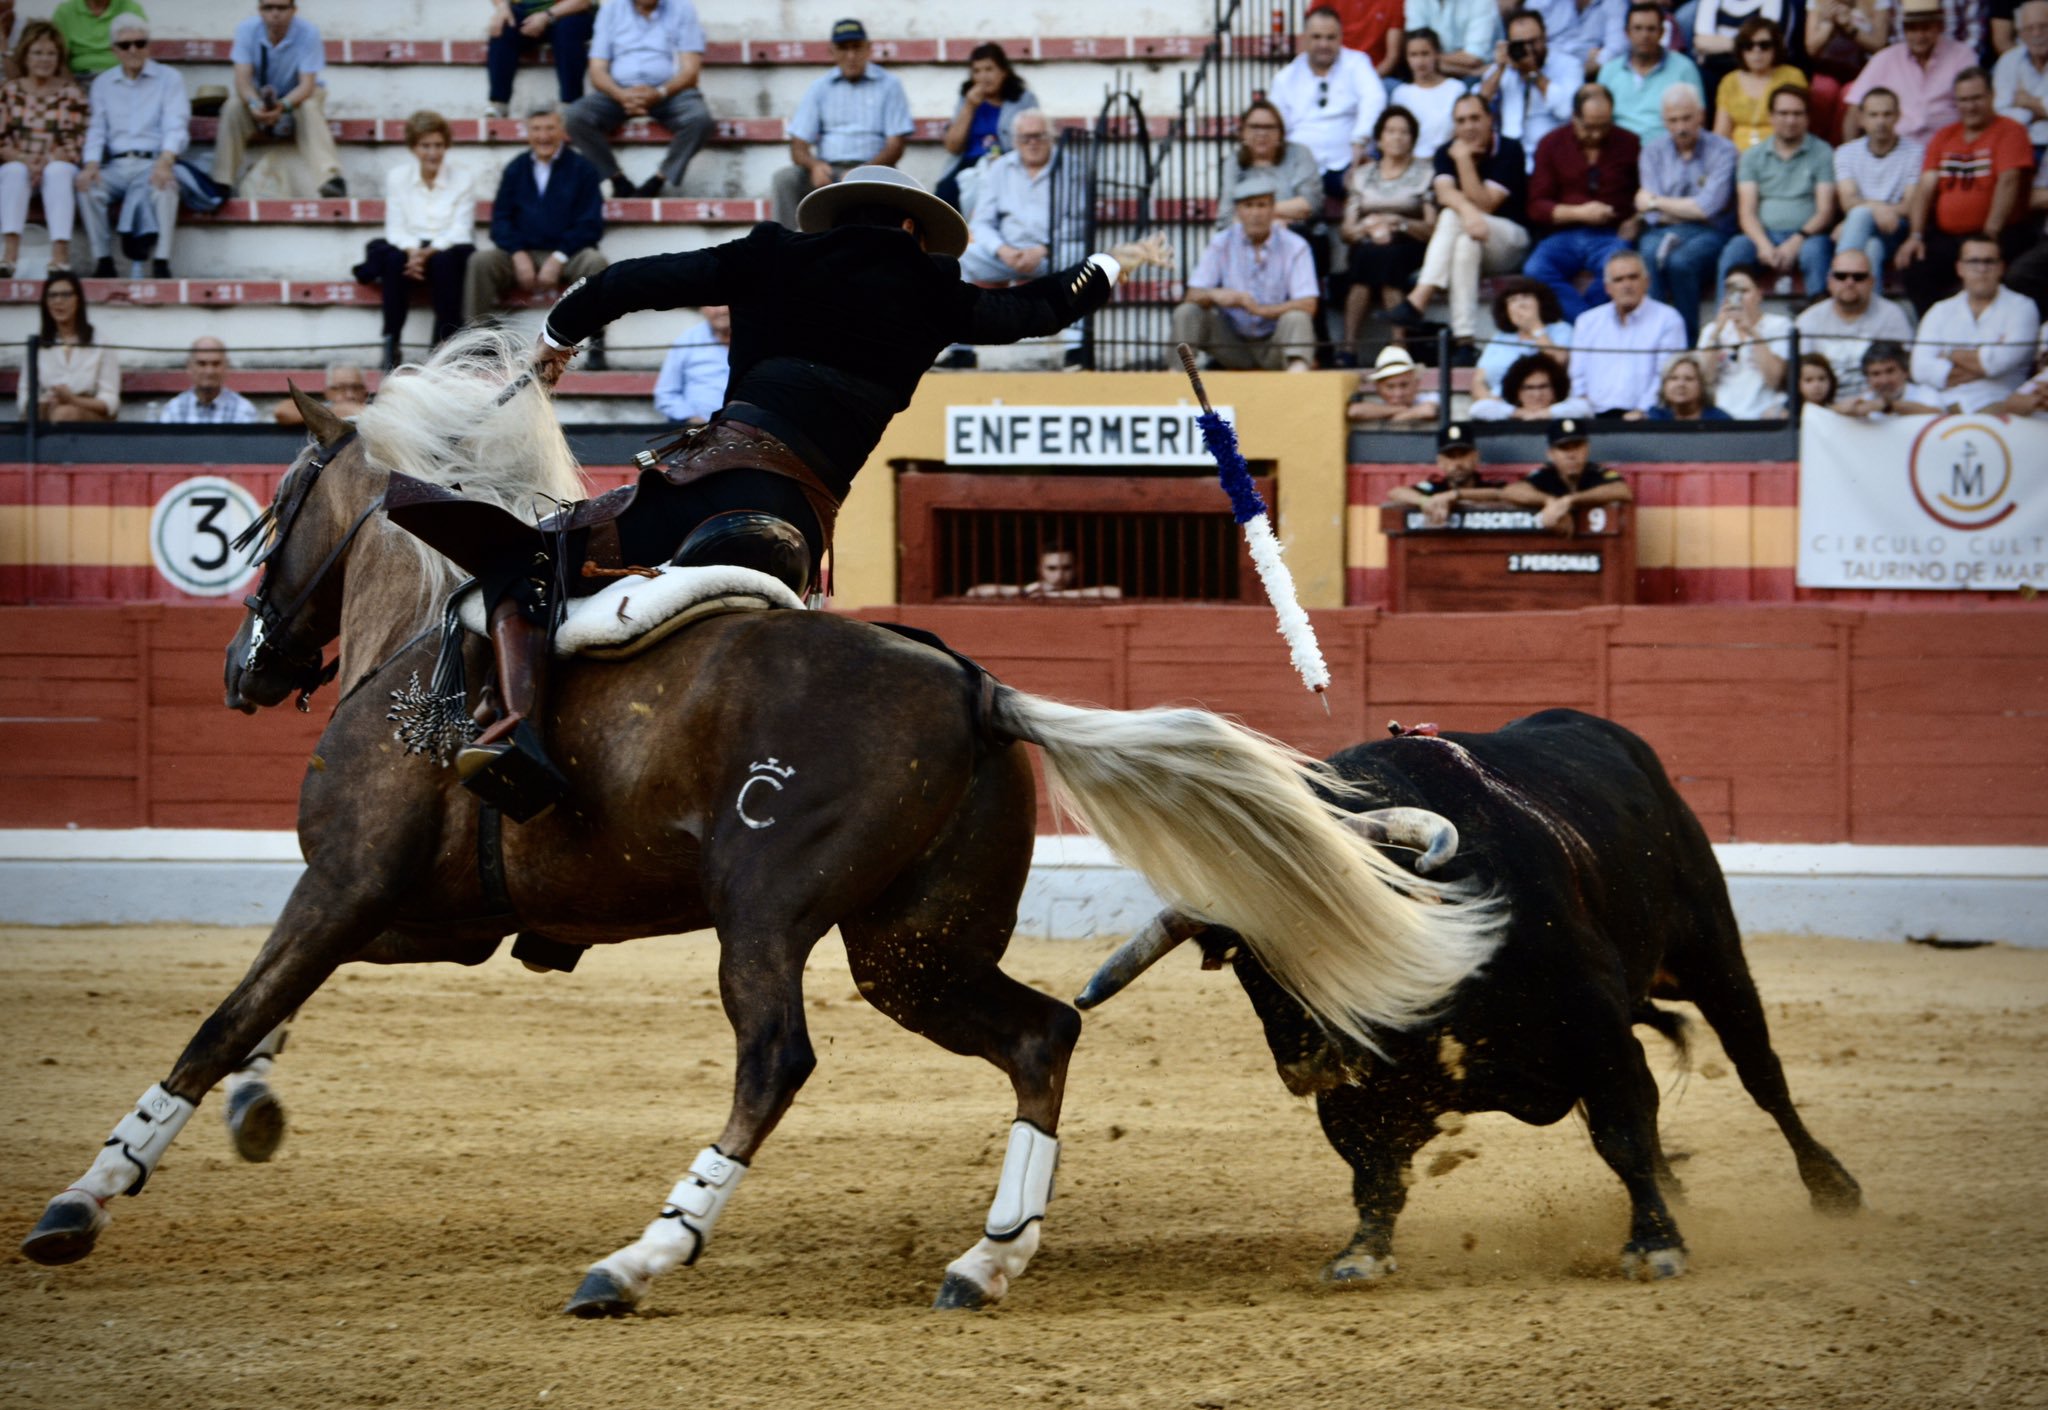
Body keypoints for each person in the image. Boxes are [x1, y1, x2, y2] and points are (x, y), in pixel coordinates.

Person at [392, 165, 1171, 810]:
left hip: (715, 485)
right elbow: (1041, 308)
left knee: (527, 555)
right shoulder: (937, 293)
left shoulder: (772, 255)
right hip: (799, 526)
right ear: (911, 228)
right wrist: (1112, 265)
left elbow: (628, 280)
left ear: (839, 219)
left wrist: (557, 338)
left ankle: (518, 730)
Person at [463, 102, 609, 363]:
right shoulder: (516, 168)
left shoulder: (583, 169)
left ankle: (596, 341)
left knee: (595, 262)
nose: (544, 136)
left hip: (568, 254)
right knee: (480, 262)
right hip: (522, 253)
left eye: (550, 128)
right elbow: (501, 220)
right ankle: (480, 340)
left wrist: (559, 257)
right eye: (537, 129)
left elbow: (590, 224)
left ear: (562, 130)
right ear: (528, 133)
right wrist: (518, 254)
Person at [1384, 94, 1530, 345]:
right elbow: (1444, 193)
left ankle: (1419, 297)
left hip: (1510, 240)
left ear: (1490, 119)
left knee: (1452, 215)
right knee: (1464, 244)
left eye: (1475, 118)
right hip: (1472, 235)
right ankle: (1465, 339)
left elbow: (1486, 204)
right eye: (1461, 121)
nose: (1468, 126)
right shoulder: (1445, 151)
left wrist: (1463, 161)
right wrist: (1469, 212)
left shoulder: (1509, 149)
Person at [1895, 67, 2034, 315]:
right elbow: (1925, 187)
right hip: (1949, 236)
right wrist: (1915, 235)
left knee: (2005, 271)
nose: (1970, 106)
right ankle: (1934, 329)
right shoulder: (1944, 136)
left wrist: (1990, 234)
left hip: (2000, 232)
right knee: (1915, 265)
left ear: (1992, 96)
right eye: (1963, 100)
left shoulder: (2011, 131)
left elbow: (2008, 182)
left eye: (1976, 98)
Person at [768, 19, 913, 232]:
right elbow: (798, 146)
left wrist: (863, 171)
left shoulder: (889, 85)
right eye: (843, 48)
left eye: (856, 47)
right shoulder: (820, 87)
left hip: (874, 170)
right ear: (832, 52)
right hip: (828, 172)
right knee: (784, 179)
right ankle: (783, 245)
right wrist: (814, 166)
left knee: (887, 184)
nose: (851, 56)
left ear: (868, 49)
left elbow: (896, 147)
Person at [562, 0, 712, 201]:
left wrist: (659, 93)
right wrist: (620, 94)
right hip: (618, 92)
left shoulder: (682, 8)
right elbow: (597, 70)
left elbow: (690, 71)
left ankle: (658, 180)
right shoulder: (611, 9)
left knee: (700, 119)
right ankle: (617, 180)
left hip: (669, 92)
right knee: (575, 117)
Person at [361, 109, 474, 369]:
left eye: (438, 145)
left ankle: (445, 342)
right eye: (425, 146)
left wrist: (428, 253)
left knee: (446, 262)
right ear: (413, 147)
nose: (433, 153)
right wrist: (413, 252)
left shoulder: (463, 178)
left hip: (447, 247)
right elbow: (395, 228)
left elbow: (460, 229)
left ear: (446, 146)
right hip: (410, 246)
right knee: (393, 261)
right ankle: (391, 341)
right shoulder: (398, 177)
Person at [1172, 173, 1320, 372]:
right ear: (1238, 211)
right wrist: (1215, 295)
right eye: (1248, 206)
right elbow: (1192, 295)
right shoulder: (1221, 242)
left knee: (1297, 317)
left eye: (1262, 205)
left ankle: (1298, 378)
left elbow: (1308, 304)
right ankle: (1177, 376)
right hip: (1231, 343)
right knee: (1187, 312)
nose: (1255, 213)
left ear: (1273, 209)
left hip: (1275, 344)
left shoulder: (1295, 245)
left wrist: (1261, 310)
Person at [78, 12, 184, 280]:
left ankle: (161, 261)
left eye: (140, 43)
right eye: (125, 45)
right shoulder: (103, 83)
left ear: (149, 45)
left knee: (166, 186)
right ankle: (103, 260)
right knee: (87, 187)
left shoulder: (169, 78)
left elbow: (176, 125)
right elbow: (97, 129)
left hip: (153, 161)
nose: (133, 50)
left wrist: (166, 161)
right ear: (114, 50)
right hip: (117, 165)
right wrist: (91, 164)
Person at [1524, 84, 1640, 321]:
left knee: (1620, 272)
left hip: (1611, 235)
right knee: (1534, 270)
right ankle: (1586, 324)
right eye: (1589, 127)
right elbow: (1537, 205)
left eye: (1604, 126)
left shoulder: (1629, 143)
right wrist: (1579, 213)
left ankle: (1588, 324)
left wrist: (1636, 220)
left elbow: (1645, 193)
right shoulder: (1551, 144)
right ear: (1575, 117)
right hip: (1563, 235)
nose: (1596, 134)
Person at [211, 0, 345, 200]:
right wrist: (255, 105)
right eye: (268, 8)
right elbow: (242, 81)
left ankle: (329, 179)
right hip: (258, 97)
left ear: (293, 10)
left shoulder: (308, 32)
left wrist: (282, 106)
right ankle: (222, 181)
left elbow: (307, 85)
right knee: (233, 106)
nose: (275, 14)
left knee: (309, 106)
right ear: (260, 10)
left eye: (281, 8)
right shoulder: (246, 30)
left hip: (298, 97)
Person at [1634, 82, 1737, 342]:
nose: (1681, 127)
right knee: (1647, 254)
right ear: (1664, 121)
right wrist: (1683, 208)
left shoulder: (1723, 150)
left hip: (1710, 232)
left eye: (1687, 118)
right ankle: (1655, 340)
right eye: (1673, 120)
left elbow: (1707, 208)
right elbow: (1651, 215)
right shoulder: (1652, 151)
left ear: (1701, 115)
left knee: (1681, 262)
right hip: (1662, 230)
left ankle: (1686, 343)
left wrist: (1656, 201)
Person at [1716, 84, 1836, 299]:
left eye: (1797, 114)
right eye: (1783, 113)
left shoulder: (1822, 152)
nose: (1790, 120)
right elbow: (1746, 212)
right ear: (1771, 117)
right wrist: (1764, 245)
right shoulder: (1752, 156)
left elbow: (1825, 211)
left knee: (1815, 252)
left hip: (1808, 236)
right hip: (1763, 234)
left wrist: (1796, 241)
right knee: (1735, 250)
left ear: (1807, 118)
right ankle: (1728, 315)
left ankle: (1818, 314)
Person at [1338, 105, 1434, 352]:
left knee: (1386, 258)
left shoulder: (1426, 173)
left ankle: (1377, 347)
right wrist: (1367, 227)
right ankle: (1362, 346)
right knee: (1370, 255)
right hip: (1368, 241)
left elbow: (1431, 228)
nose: (1397, 137)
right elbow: (1346, 232)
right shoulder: (1362, 175)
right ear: (1379, 139)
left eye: (1404, 132)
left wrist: (1398, 223)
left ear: (1413, 139)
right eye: (1390, 131)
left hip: (1410, 242)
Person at [1909, 233, 2042, 410]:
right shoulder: (1939, 310)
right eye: (1973, 261)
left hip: (2000, 403)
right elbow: (1919, 369)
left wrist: (1948, 353)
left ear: (2001, 267)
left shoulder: (2022, 307)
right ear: (1960, 268)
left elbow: (2000, 363)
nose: (1981, 269)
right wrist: (1984, 365)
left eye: (1989, 261)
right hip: (1944, 404)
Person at [1269, 5, 1388, 196]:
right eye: (1316, 37)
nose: (1323, 44)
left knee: (1368, 185)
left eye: (1330, 37)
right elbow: (1276, 124)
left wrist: (1360, 140)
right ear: (1305, 38)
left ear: (1341, 38)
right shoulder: (1285, 77)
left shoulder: (1357, 63)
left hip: (1349, 163)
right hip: (1300, 169)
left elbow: (1374, 99)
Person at [0, 21, 88, 277]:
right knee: (14, 171)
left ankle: (60, 258)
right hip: (18, 163)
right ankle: (9, 256)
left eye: (51, 53)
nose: (44, 59)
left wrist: (46, 161)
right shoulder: (9, 91)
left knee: (57, 172)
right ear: (25, 55)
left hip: (57, 165)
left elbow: (75, 142)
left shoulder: (71, 94)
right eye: (37, 52)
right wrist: (24, 159)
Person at [959, 110, 1077, 284]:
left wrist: (1043, 250)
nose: (1032, 143)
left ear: (1051, 138)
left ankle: (1064, 302)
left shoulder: (1072, 167)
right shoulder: (1000, 168)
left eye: (1038, 136)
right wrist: (1001, 249)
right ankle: (976, 303)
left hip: (1052, 252)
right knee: (960, 258)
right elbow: (981, 222)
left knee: (1079, 257)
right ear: (1015, 141)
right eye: (1025, 138)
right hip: (1007, 253)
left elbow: (1078, 222)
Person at [1843, 0, 1976, 147]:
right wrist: (1852, 154)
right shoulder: (1886, 58)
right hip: (1897, 151)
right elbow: (1854, 110)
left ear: (1939, 27)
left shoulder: (1961, 55)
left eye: (1926, 28)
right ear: (1904, 30)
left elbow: (1975, 108)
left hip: (1948, 147)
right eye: (1912, 29)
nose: (1919, 36)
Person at [1570, 248, 1688, 413]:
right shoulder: (1587, 322)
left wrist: (1642, 411)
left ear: (1647, 281)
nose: (1626, 285)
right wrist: (1585, 410)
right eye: (1618, 280)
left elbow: (1666, 375)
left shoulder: (1668, 319)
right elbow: (1577, 376)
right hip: (1593, 416)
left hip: (1647, 417)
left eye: (1633, 277)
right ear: (1607, 288)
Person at [1794, 248, 1917, 398]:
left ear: (1872, 282)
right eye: (1841, 276)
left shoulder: (1891, 315)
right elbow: (1799, 374)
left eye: (1859, 277)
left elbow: (1903, 369)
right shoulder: (1808, 319)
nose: (1849, 282)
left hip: (1880, 403)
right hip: (1824, 403)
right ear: (1829, 281)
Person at [933, 42, 1037, 216]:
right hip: (968, 165)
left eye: (989, 69)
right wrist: (969, 106)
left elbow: (1031, 136)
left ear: (1004, 71)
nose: (983, 77)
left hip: (1008, 163)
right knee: (942, 201)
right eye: (977, 71)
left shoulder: (1023, 99)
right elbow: (952, 146)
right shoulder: (966, 99)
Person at [1832, 88, 1926, 275]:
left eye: (1887, 114)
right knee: (1872, 247)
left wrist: (1858, 216)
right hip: (1863, 226)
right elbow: (1847, 201)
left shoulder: (1916, 152)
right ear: (1861, 119)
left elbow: (1909, 206)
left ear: (1898, 116)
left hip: (1896, 227)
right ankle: (1859, 290)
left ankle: (1839, 279)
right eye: (1873, 115)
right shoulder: (1845, 152)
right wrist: (1878, 209)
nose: (1880, 121)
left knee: (1859, 214)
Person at [1480, 7, 1580, 170]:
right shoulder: (1503, 68)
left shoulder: (1568, 65)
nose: (1527, 50)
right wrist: (1499, 68)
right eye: (1520, 44)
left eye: (1533, 42)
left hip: (1552, 159)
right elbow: (1480, 103)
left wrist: (1534, 74)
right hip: (1509, 159)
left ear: (1545, 36)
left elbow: (1567, 111)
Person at [18, 270, 117, 422]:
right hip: (47, 412)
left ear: (78, 300)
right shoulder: (38, 344)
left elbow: (110, 401)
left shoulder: (99, 341)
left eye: (65, 295)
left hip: (89, 416)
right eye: (52, 296)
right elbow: (25, 394)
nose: (58, 301)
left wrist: (72, 400)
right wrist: (44, 403)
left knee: (65, 414)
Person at [1596, 2, 1703, 141]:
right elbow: (1598, 119)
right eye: (1638, 28)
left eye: (1651, 29)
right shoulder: (1609, 70)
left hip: (1669, 149)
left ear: (1662, 32)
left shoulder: (1684, 68)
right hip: (1619, 149)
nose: (1644, 35)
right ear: (1627, 32)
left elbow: (1699, 120)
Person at [1502, 418, 1633, 531]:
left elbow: (1622, 490)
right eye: (1563, 448)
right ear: (1551, 454)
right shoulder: (1546, 474)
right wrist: (1550, 501)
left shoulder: (1595, 471)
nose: (1571, 455)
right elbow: (1511, 491)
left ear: (1587, 449)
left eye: (1577, 446)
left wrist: (1569, 500)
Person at [1698, 261, 1792, 416]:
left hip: (1764, 415)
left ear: (1759, 294)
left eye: (1744, 291)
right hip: (1722, 417)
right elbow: (1704, 380)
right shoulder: (1712, 331)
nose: (1738, 298)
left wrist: (1751, 332)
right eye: (1731, 291)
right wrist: (1717, 331)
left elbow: (1775, 379)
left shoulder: (1779, 325)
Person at [1214, 100, 1323, 233]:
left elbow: (1311, 204)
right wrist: (1273, 221)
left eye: (1269, 127)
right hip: (1246, 237)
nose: (1262, 133)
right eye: (1255, 127)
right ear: (1243, 132)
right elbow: (1226, 218)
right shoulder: (1233, 162)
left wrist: (1250, 213)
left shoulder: (1299, 154)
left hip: (1295, 233)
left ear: (1280, 133)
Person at [486, 0, 595, 121]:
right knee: (504, 24)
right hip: (527, 14)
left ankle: (571, 104)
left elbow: (583, 2)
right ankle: (498, 104)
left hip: (569, 13)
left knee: (568, 28)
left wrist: (546, 16)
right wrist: (502, 8)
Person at [1471, 276, 1572, 401]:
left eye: (1526, 297)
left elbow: (1558, 362)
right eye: (1513, 300)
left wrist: (1535, 327)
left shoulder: (1560, 329)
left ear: (1540, 302)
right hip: (1497, 403)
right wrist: (1489, 402)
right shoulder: (1501, 336)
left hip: (1539, 402)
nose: (1520, 304)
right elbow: (1478, 380)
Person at [1713, 17, 1806, 152]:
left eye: (1764, 45)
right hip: (1736, 157)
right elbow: (1721, 135)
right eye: (1748, 45)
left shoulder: (1792, 77)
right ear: (1741, 49)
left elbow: (1797, 126)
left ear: (1775, 47)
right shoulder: (1729, 81)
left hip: (1781, 154)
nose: (1756, 51)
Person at [1388, 425, 1508, 522]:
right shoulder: (1435, 488)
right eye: (1451, 457)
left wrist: (1457, 495)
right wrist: (1425, 501)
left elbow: (1508, 493)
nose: (1457, 463)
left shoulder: (1490, 486)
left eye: (1463, 455)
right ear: (1440, 462)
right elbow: (1396, 492)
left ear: (1476, 457)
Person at [156, 336, 261, 424]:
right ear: (189, 366)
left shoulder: (242, 410)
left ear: (226, 366)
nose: (209, 371)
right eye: (202, 364)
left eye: (216, 364)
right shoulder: (174, 410)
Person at [653, 303, 730, 425]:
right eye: (713, 304)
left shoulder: (755, 339)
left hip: (748, 429)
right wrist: (693, 420)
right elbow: (666, 394)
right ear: (702, 308)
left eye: (726, 303)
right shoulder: (687, 341)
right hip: (699, 429)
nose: (721, 311)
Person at [965, 541, 1124, 599]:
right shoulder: (1033, 591)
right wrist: (1024, 590)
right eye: (1051, 568)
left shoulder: (1082, 589)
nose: (1059, 575)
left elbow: (1116, 593)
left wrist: (1057, 595)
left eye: (1066, 568)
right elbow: (974, 592)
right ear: (1040, 569)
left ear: (1078, 569)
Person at [1392, 29, 1464, 156]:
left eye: (1425, 54)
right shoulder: (1400, 94)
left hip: (1447, 158)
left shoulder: (1456, 88)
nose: (1419, 62)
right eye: (1413, 55)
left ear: (1437, 54)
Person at [1470, 348, 1596, 416]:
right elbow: (1477, 409)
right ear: (1517, 392)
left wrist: (1545, 414)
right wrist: (1518, 413)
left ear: (1555, 389)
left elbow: (1584, 408)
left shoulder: (1564, 412)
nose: (1537, 394)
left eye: (1543, 386)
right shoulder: (1510, 414)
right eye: (1529, 388)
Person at [1838, 337, 1948, 412]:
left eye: (1890, 371)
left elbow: (1937, 414)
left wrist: (1888, 406)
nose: (1884, 380)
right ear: (1868, 379)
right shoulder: (1864, 401)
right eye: (1876, 374)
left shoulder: (1926, 394)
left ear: (1905, 372)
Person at [1401, 0, 1504, 77]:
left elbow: (1474, 58)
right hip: (1438, 70)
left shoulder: (1482, 2)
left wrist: (1428, 58)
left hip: (1478, 73)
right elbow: (1415, 47)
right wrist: (1471, 72)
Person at [1994, 2, 2048, 146]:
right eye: (2030, 28)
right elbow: (2000, 112)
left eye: (2043, 26)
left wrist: (2028, 103)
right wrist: (2039, 111)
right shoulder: (2008, 61)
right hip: (2017, 143)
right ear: (2021, 34)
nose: (2037, 33)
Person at [50, 0, 144, 81]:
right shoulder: (65, 12)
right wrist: (71, 85)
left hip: (123, 77)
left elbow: (142, 50)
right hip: (79, 79)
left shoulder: (131, 9)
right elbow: (57, 60)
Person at [1347, 342, 1443, 420]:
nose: (1398, 393)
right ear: (1378, 388)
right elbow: (1354, 411)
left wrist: (1397, 417)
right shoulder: (1378, 404)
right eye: (1390, 387)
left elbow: (1429, 410)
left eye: (1404, 385)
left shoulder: (1431, 398)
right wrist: (1400, 410)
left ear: (1416, 383)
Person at [272, 361, 367, 425]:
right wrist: (332, 412)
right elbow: (282, 412)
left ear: (365, 391)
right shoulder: (324, 409)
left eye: (356, 388)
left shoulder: (373, 410)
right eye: (341, 388)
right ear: (328, 392)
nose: (350, 395)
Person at [1645, 351, 1734, 417]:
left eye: (1689, 379)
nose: (1680, 384)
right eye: (1673, 378)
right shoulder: (1654, 417)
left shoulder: (1721, 420)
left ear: (1702, 385)